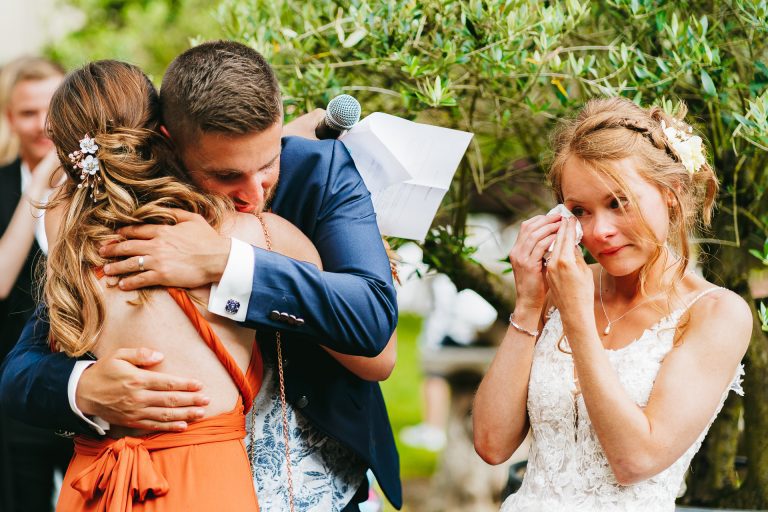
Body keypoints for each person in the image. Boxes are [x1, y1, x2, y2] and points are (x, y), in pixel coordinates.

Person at [0, 41, 401, 511]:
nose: (254, 192)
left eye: (269, 163)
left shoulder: (318, 173)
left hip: (311, 485)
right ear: (170, 142)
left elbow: (376, 335)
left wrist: (226, 263)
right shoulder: (120, 226)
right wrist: (83, 387)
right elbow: (22, 368)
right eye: (227, 175)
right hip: (156, 481)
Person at [473, 97, 751, 511]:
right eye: (580, 210)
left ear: (671, 193)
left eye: (618, 202)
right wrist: (530, 304)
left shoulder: (715, 314)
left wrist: (577, 318)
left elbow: (635, 460)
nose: (599, 231)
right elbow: (492, 444)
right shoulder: (559, 289)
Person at [0, 55, 71, 512]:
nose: (44, 124)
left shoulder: (102, 183)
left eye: (53, 108)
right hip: (18, 390)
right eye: (28, 113)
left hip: (89, 385)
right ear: (9, 118)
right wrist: (42, 177)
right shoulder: (4, 185)